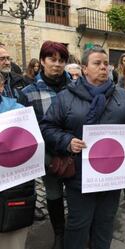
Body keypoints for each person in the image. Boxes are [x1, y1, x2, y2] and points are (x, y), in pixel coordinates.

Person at [40, 46, 125, 249]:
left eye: (106, 63)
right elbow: (47, 127)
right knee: (79, 225)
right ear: (84, 68)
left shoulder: (121, 96)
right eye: (97, 63)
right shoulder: (66, 97)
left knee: (105, 223)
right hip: (80, 176)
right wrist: (67, 141)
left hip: (112, 175)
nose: (103, 67)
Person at [22, 41, 71, 249]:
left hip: (73, 152)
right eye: (52, 59)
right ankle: (59, 233)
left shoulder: (76, 87)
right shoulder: (28, 92)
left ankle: (78, 231)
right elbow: (28, 130)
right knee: (53, 195)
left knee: (77, 195)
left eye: (61, 60)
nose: (57, 64)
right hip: (47, 156)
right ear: (42, 61)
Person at [0, 72, 34, 249]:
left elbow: (30, 149)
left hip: (12, 191)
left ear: (1, 86)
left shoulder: (19, 111)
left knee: (12, 242)